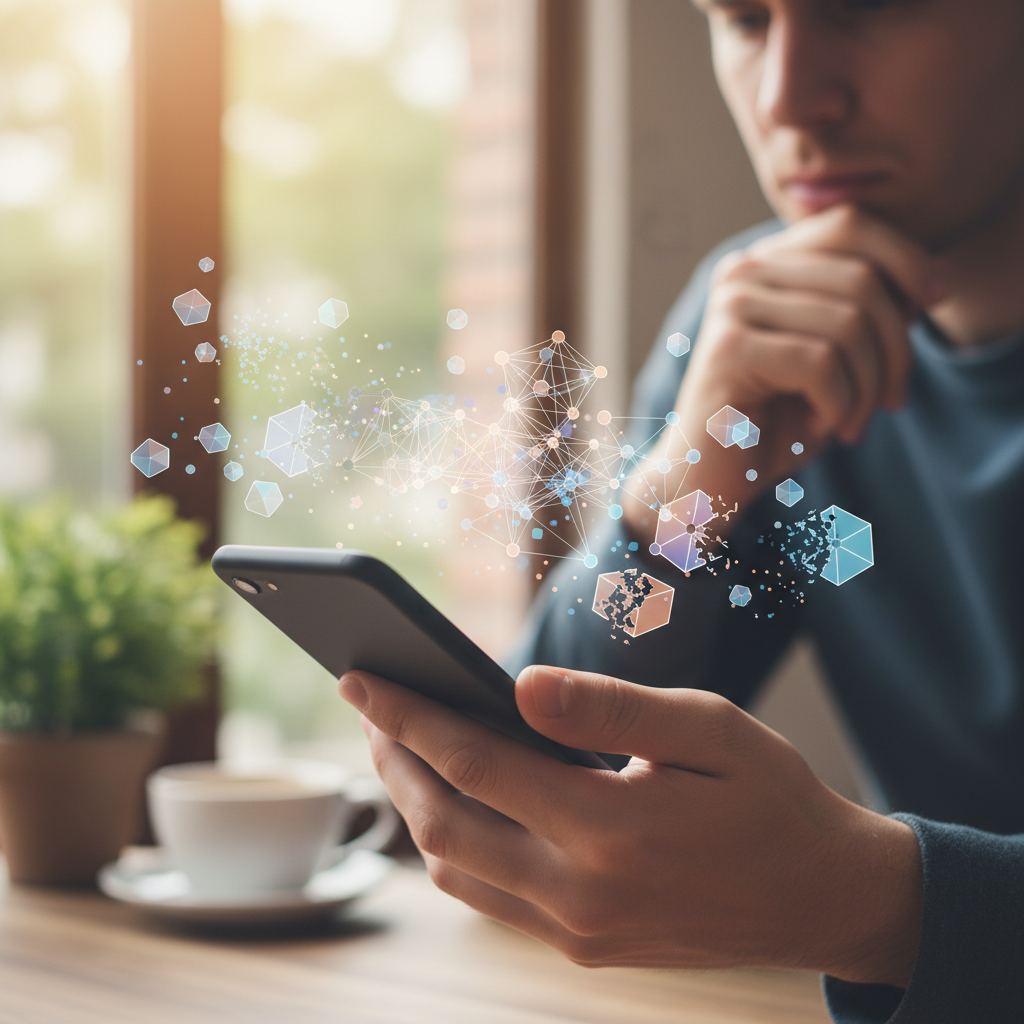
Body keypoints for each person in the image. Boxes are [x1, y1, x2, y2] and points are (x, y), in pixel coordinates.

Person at [340, 1, 1024, 1020]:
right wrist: (675, 502)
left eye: (863, 8)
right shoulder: (765, 323)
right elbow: (560, 762)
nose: (787, 96)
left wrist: (881, 902)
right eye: (744, 18)